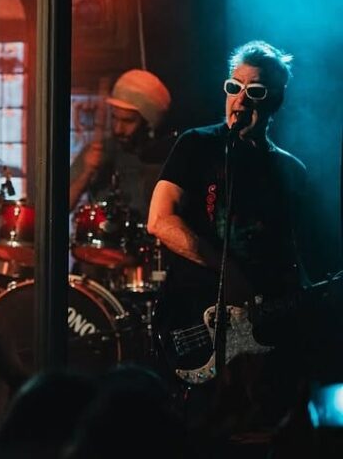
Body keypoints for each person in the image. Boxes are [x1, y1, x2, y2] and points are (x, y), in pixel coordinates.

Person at [147, 40, 309, 432]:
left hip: (258, 338)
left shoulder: (290, 172)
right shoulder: (196, 144)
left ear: (276, 100)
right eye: (234, 87)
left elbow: (292, 256)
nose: (240, 100)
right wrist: (228, 271)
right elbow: (160, 220)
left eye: (256, 91)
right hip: (194, 320)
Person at [69, 68, 174, 216]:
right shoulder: (98, 151)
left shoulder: (167, 161)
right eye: (114, 118)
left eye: (128, 121)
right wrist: (86, 173)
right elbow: (60, 206)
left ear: (148, 123)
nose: (118, 129)